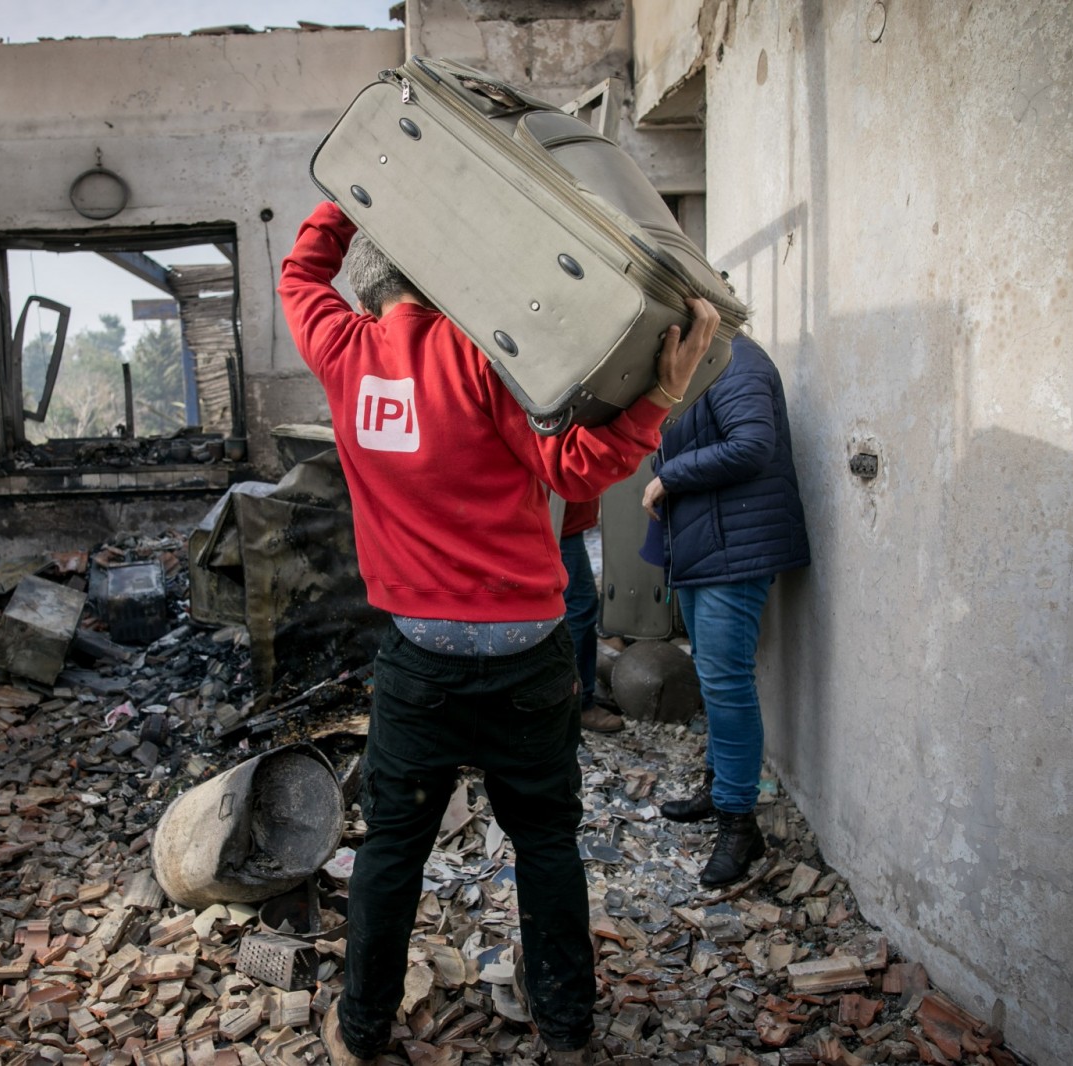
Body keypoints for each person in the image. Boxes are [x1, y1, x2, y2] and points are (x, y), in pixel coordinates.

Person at [278, 200, 719, 1066]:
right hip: (527, 655)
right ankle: (567, 1028)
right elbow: (579, 467)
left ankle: (362, 1030)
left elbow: (300, 272)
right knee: (546, 841)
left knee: (393, 852)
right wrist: (662, 395)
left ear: (371, 296)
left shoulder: (340, 351)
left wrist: (359, 189)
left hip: (421, 662)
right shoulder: (485, 361)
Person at [641, 333, 810, 887]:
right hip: (706, 542)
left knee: (726, 681)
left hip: (735, 548)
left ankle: (741, 826)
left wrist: (670, 476)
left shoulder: (738, 360)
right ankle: (720, 792)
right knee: (716, 678)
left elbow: (752, 444)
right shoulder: (706, 361)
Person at [559, 498, 624, 732]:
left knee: (575, 608)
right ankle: (578, 703)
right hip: (556, 520)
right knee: (579, 608)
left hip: (562, 519)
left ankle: (576, 694)